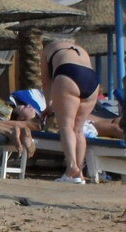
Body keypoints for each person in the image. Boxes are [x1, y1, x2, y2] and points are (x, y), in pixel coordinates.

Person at [40, 39, 101, 183]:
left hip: (67, 73)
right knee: (78, 129)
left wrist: (49, 104)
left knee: (66, 126)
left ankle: (71, 167)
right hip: (92, 80)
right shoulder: (81, 49)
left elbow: (45, 81)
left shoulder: (48, 49)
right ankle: (79, 173)